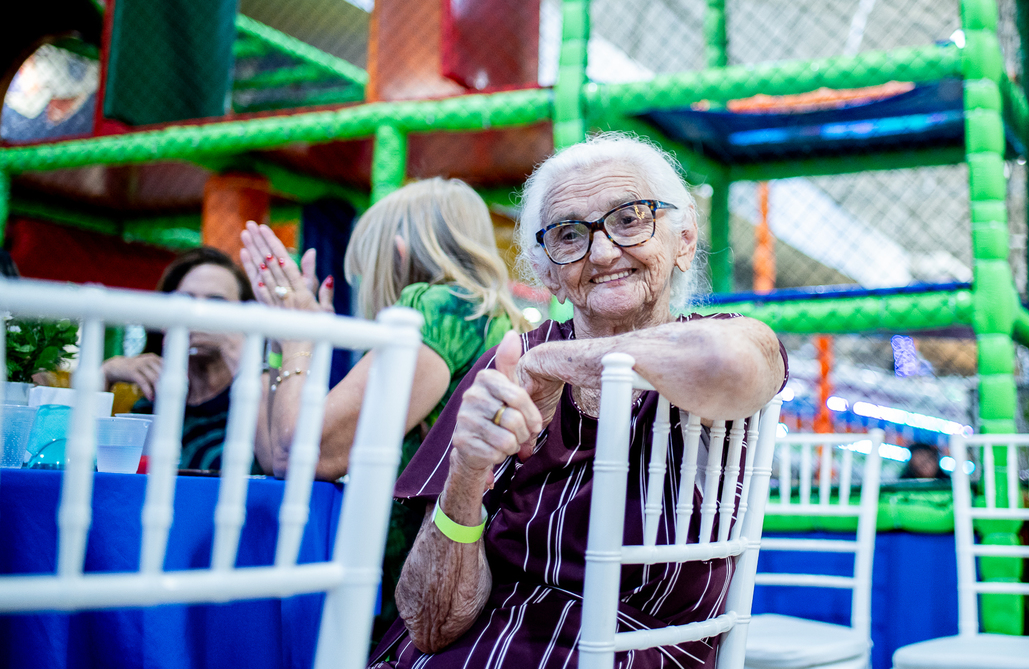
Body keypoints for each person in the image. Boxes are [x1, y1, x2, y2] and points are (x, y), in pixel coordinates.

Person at [372, 134, 787, 668]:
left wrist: (558, 362)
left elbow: (720, 362)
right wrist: (467, 473)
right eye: (569, 235)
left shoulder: (725, 337)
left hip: (634, 649)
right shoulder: (507, 363)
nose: (604, 250)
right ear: (549, 274)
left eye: (631, 217)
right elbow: (431, 624)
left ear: (684, 241)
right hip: (472, 649)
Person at [238, 176, 526, 641]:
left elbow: (299, 454)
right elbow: (277, 457)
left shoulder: (438, 307)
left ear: (396, 253)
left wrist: (299, 341)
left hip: (412, 604)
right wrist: (281, 345)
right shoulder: (490, 317)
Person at [101, 247, 256, 471]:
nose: (198, 313)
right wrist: (106, 373)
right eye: (185, 301)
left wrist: (243, 363)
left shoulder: (260, 399)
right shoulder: (152, 400)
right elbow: (83, 459)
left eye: (216, 302)